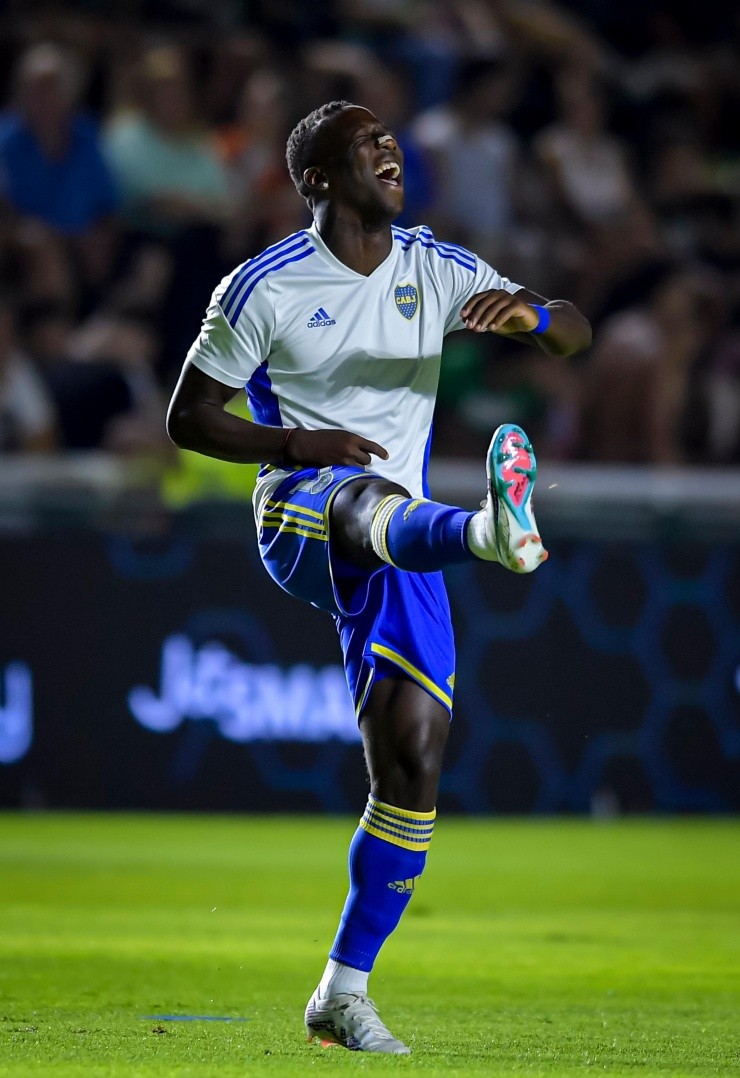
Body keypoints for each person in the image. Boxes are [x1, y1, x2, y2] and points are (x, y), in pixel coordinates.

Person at [167, 100, 591, 1054]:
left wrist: (532, 315)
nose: (390, 150)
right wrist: (294, 438)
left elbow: (575, 333)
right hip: (302, 507)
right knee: (361, 489)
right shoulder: (263, 287)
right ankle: (490, 532)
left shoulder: (435, 268)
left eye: (392, 140)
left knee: (412, 756)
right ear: (316, 178)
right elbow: (188, 419)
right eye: (366, 145)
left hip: (404, 538)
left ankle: (341, 994)